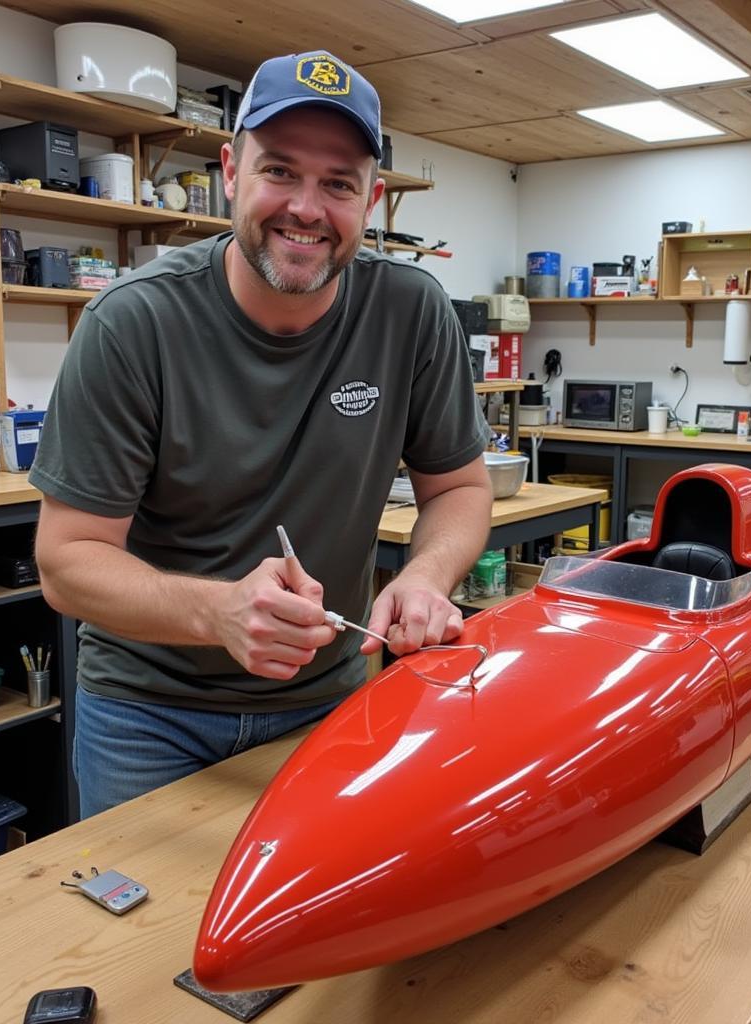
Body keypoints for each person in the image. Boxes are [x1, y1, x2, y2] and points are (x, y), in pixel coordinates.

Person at [30, 50, 493, 818]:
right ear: (231, 171)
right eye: (279, 170)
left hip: (329, 707)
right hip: (149, 716)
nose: (307, 208)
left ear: (372, 200)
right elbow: (67, 563)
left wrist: (425, 576)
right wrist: (215, 614)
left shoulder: (411, 312)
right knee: (135, 941)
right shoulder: (133, 323)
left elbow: (461, 488)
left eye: (339, 183)